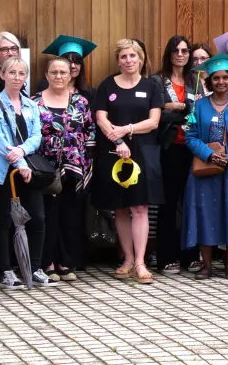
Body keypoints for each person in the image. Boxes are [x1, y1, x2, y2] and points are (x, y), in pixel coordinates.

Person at [92, 39, 164, 283]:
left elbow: (153, 122)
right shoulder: (107, 85)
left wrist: (127, 129)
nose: (128, 60)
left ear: (141, 59)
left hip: (142, 152)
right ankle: (128, 259)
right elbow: (101, 119)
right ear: (118, 61)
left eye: (133, 56)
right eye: (123, 56)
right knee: (120, 208)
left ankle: (141, 262)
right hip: (114, 152)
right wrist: (118, 140)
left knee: (140, 207)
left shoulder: (151, 86)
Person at [0, 55, 54, 289]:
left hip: (28, 171)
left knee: (37, 218)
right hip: (3, 172)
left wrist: (22, 151)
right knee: (4, 220)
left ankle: (34, 268)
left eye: (21, 73)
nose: (16, 77)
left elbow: (36, 136)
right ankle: (6, 270)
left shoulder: (31, 105)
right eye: (11, 72)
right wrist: (20, 164)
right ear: (2, 75)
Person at [182, 54, 228, 280]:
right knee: (205, 212)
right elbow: (190, 136)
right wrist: (209, 154)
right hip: (205, 167)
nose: (221, 82)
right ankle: (206, 265)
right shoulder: (198, 106)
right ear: (210, 81)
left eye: (225, 77)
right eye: (216, 78)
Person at [36, 53, 95, 282]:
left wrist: (87, 160)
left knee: (70, 216)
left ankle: (66, 262)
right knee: (49, 215)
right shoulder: (35, 102)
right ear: (46, 75)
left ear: (70, 75)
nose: (59, 76)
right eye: (54, 72)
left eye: (63, 72)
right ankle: (47, 262)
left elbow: (90, 130)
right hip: (46, 169)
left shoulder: (81, 102)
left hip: (74, 167)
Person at [149, 35, 196, 273]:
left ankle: (191, 255)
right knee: (167, 203)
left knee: (191, 203)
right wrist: (183, 109)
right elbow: (157, 114)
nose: (180, 55)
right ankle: (166, 257)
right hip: (169, 148)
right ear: (168, 54)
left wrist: (177, 107)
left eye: (184, 51)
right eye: (176, 51)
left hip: (193, 147)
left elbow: (199, 111)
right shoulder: (158, 81)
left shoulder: (195, 80)